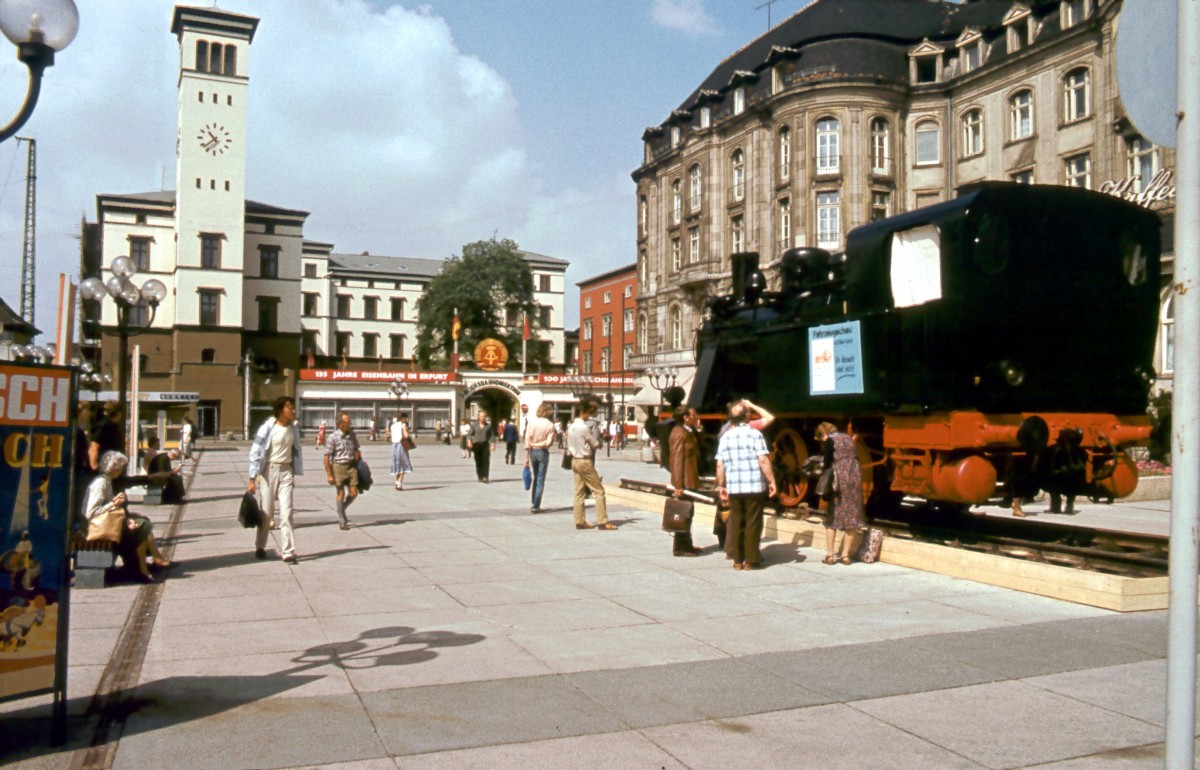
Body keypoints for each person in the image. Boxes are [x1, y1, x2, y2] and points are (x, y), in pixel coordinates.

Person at [85, 451, 171, 581]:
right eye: (122, 468)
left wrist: (125, 518)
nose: (122, 471)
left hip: (109, 521)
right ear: (115, 468)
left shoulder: (107, 480)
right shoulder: (101, 483)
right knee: (143, 526)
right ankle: (147, 564)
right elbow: (90, 512)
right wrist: (114, 503)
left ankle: (143, 566)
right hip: (99, 527)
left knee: (141, 523)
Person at [714, 401, 777, 570]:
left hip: (734, 487)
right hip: (754, 486)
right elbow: (763, 459)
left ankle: (737, 561)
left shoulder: (726, 436)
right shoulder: (754, 434)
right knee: (753, 522)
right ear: (746, 417)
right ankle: (751, 560)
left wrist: (722, 486)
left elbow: (720, 464)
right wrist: (771, 481)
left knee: (737, 522)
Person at [249, 396, 304, 563]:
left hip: (287, 470)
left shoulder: (293, 427)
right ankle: (260, 545)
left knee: (287, 512)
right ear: (282, 410)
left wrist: (294, 471)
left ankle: (288, 551)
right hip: (269, 470)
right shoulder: (268, 427)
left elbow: (296, 450)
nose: (293, 411)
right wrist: (252, 478)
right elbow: (255, 451)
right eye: (290, 408)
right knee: (267, 512)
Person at [815, 422, 866, 565]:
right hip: (854, 478)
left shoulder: (830, 441)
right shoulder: (849, 439)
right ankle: (845, 556)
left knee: (832, 518)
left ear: (824, 432)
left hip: (838, 481)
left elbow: (827, 463)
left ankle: (830, 556)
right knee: (852, 518)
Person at [568, 400, 614, 530]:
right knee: (599, 490)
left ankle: (579, 520)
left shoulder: (570, 427)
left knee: (579, 492)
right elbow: (594, 443)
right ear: (583, 412)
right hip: (585, 460)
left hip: (574, 460)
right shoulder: (584, 427)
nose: (589, 416)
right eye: (588, 413)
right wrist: (599, 442)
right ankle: (602, 521)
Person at [668, 406, 703, 557]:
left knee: (688, 512)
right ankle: (681, 547)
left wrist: (699, 428)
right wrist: (678, 485)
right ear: (685, 418)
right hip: (684, 480)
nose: (697, 416)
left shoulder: (688, 431)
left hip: (690, 478)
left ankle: (687, 544)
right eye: (694, 414)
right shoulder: (679, 433)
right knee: (683, 513)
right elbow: (676, 460)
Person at [324, 412, 361, 530]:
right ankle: (342, 520)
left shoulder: (352, 435)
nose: (349, 423)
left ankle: (342, 508)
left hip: (351, 466)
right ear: (340, 424)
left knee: (354, 492)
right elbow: (326, 456)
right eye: (347, 421)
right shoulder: (333, 437)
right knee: (340, 492)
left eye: (350, 421)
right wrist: (329, 474)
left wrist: (359, 462)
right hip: (338, 466)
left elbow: (356, 449)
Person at [524, 403, 556, 513]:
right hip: (543, 451)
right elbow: (548, 443)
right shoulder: (550, 425)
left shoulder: (531, 423)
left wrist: (526, 458)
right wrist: (542, 443)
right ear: (548, 412)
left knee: (536, 477)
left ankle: (533, 502)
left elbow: (527, 441)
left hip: (532, 451)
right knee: (541, 479)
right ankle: (536, 506)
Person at [89, 400, 125, 471]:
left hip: (111, 466)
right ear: (118, 413)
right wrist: (94, 466)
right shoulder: (104, 426)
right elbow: (94, 445)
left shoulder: (114, 426)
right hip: (104, 466)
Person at [467, 412, 494, 482]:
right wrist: (469, 441)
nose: (483, 418)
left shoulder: (488, 426)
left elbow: (491, 435)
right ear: (478, 417)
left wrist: (493, 444)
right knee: (478, 461)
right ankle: (480, 476)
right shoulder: (474, 425)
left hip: (485, 444)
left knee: (486, 461)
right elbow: (469, 434)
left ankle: (485, 477)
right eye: (481, 416)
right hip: (477, 444)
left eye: (484, 416)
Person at [390, 413, 414, 490]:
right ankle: (399, 483)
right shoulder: (403, 425)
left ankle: (397, 482)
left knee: (397, 464)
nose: (407, 420)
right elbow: (406, 435)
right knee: (403, 464)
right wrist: (408, 433)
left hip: (394, 446)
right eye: (406, 418)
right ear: (403, 418)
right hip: (401, 445)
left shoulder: (393, 425)